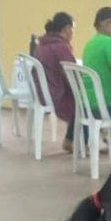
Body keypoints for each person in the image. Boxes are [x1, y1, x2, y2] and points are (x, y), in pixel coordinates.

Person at [34, 12, 78, 152]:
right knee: (87, 101)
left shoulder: (43, 44)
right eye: (73, 29)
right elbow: (72, 75)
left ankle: (75, 138)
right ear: (66, 28)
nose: (73, 33)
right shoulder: (60, 47)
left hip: (44, 91)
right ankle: (72, 139)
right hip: (57, 94)